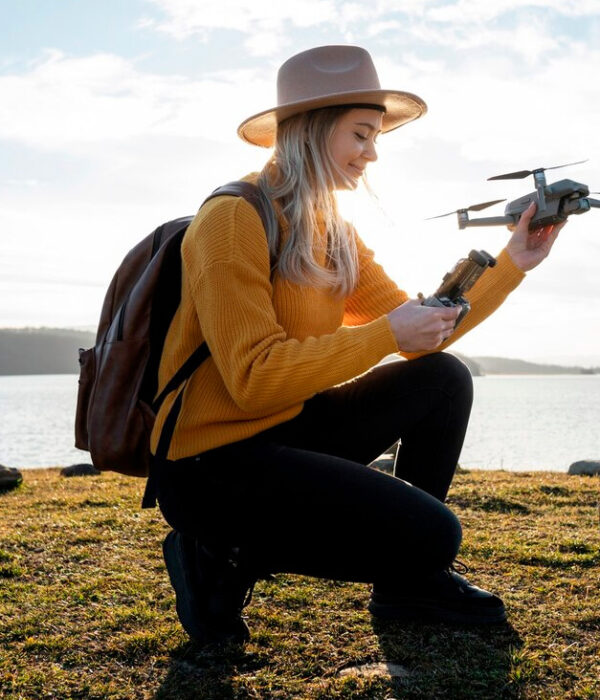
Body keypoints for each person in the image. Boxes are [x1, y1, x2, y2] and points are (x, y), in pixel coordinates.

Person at [150, 45, 562, 646]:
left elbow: (420, 334)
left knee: (443, 377)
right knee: (432, 536)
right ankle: (215, 550)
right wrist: (383, 335)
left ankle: (409, 587)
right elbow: (251, 377)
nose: (372, 153)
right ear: (314, 132)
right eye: (361, 135)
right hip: (211, 461)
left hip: (287, 425)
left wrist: (513, 262)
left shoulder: (332, 228)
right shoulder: (233, 217)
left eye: (376, 137)